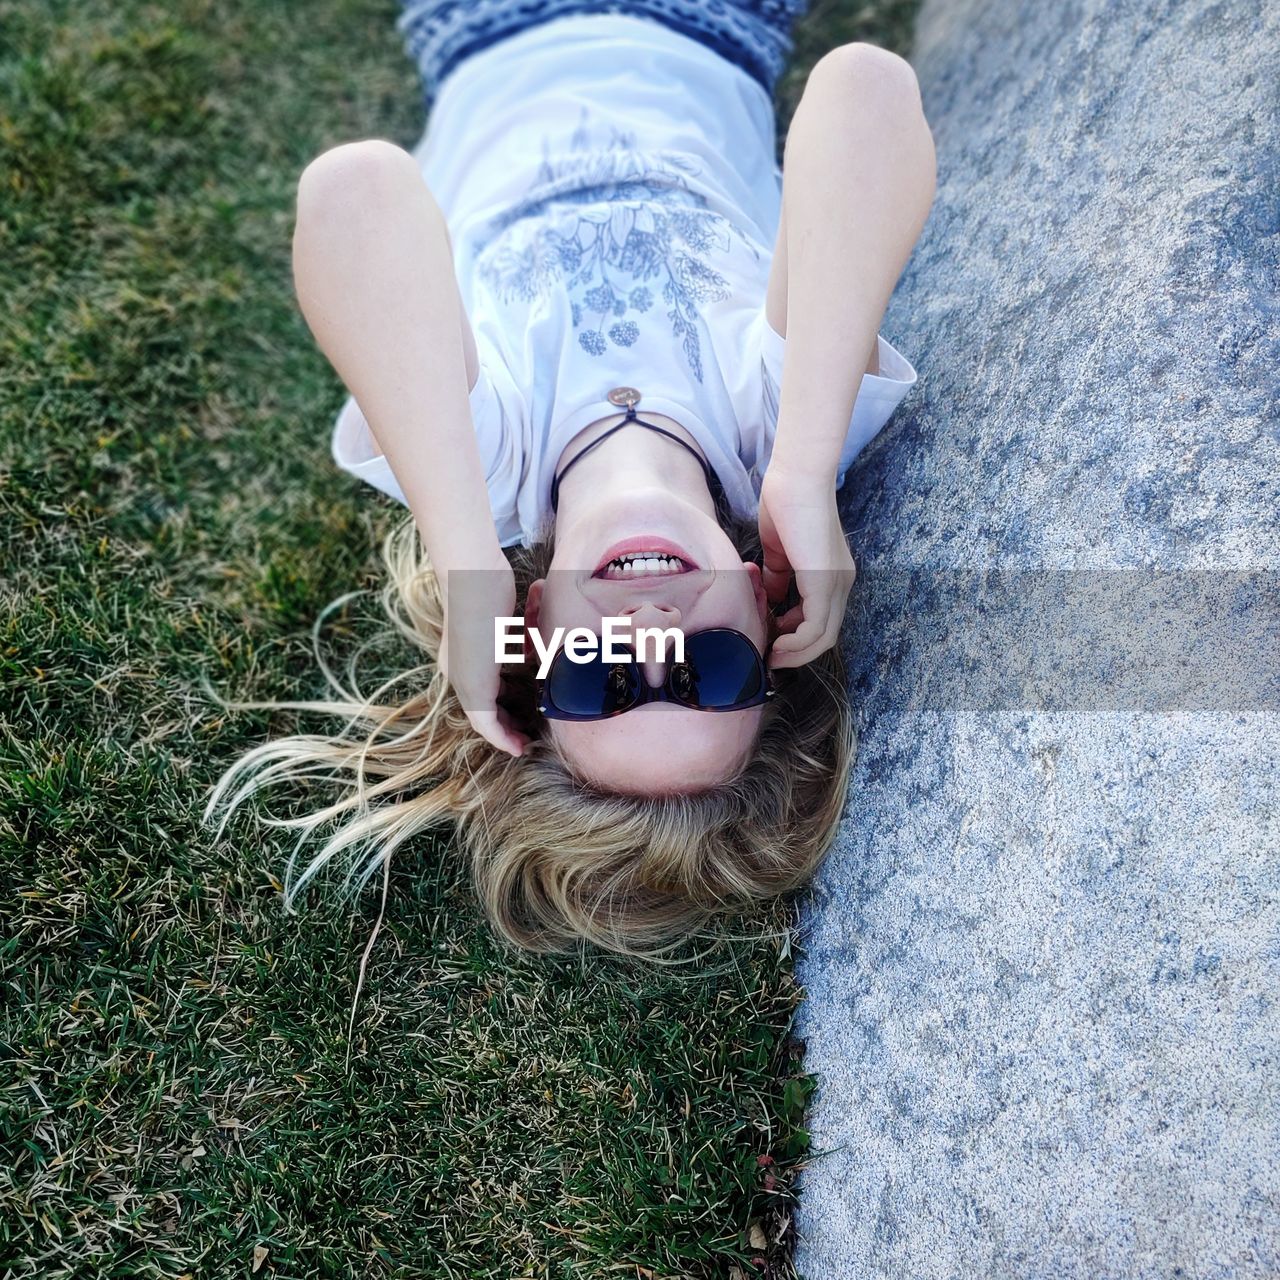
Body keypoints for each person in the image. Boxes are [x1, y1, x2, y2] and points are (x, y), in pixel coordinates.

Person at [205, 2, 937, 958]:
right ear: (768, 608)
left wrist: (468, 557)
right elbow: (865, 91)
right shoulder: (775, 428)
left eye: (597, 681)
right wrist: (803, 470)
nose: (650, 638)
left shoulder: (486, 466)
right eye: (708, 673)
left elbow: (354, 191)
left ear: (535, 628)